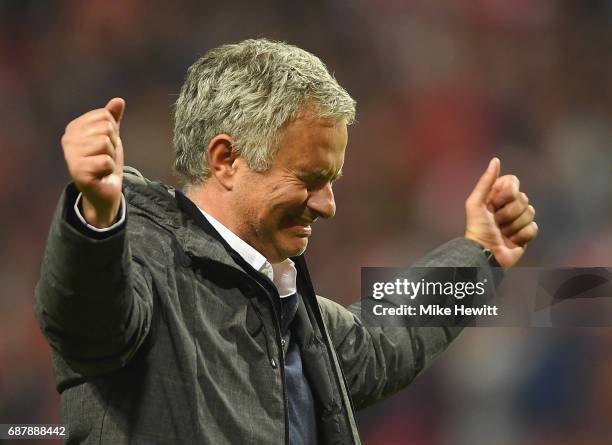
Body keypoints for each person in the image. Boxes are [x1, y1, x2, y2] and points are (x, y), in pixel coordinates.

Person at [35, 39, 537, 444]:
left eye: (333, 180)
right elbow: (84, 321)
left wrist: (480, 252)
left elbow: (382, 338)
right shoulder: (141, 263)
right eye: (310, 178)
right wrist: (98, 221)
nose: (327, 205)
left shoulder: (282, 303)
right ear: (226, 159)